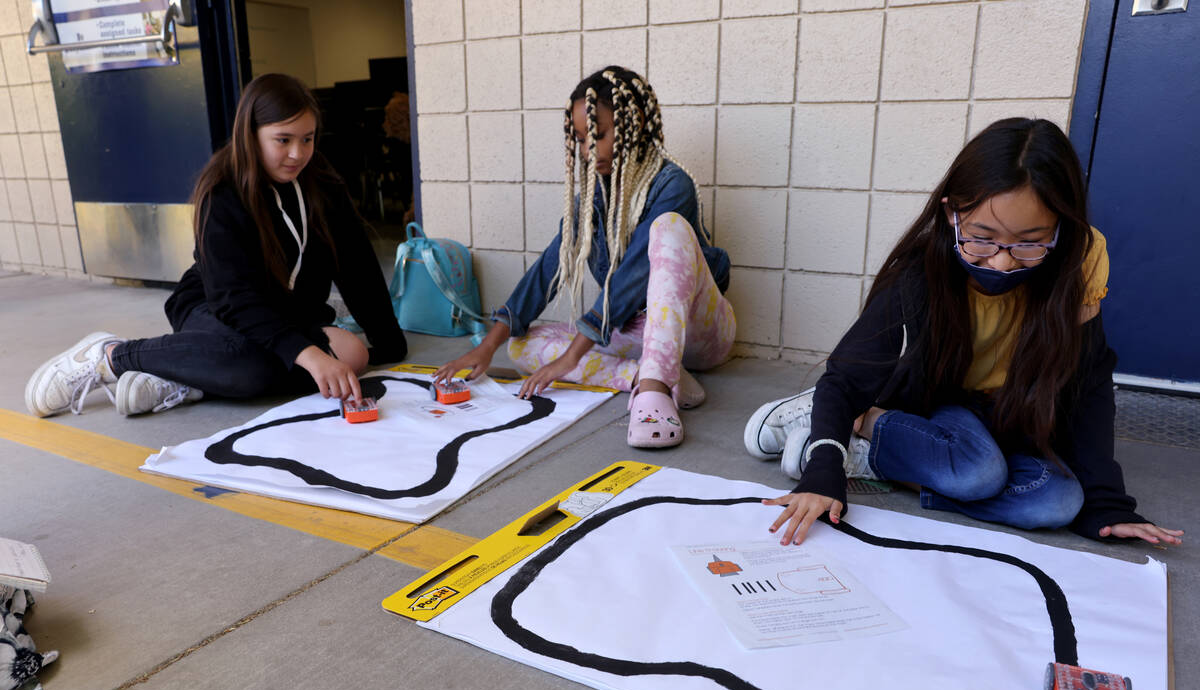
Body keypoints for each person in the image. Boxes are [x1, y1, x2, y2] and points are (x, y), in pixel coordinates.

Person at [745, 118, 1183, 548]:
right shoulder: (921, 273)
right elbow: (846, 376)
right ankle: (848, 429)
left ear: (1062, 228)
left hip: (1008, 420)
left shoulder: (1079, 265)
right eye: (982, 238)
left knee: (1058, 503)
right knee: (978, 473)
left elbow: (1089, 383)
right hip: (935, 407)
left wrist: (1107, 503)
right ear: (952, 214)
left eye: (1030, 242)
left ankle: (874, 458)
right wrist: (823, 470)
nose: (1001, 262)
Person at [25, 74, 406, 418]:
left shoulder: (322, 182)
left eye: (308, 139)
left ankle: (184, 378)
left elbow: (356, 264)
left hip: (289, 313)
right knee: (256, 364)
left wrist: (389, 341)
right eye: (283, 140)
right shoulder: (222, 190)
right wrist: (307, 354)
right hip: (216, 307)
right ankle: (111, 356)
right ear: (251, 133)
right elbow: (233, 297)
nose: (298, 154)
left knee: (353, 355)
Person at [433, 66, 735, 448]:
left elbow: (633, 275)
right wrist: (487, 345)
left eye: (599, 136)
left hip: (698, 332)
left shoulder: (672, 184)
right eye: (580, 141)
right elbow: (549, 267)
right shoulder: (594, 197)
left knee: (669, 227)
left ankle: (655, 391)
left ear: (633, 124)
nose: (588, 151)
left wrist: (573, 357)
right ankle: (641, 375)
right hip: (635, 335)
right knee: (521, 347)